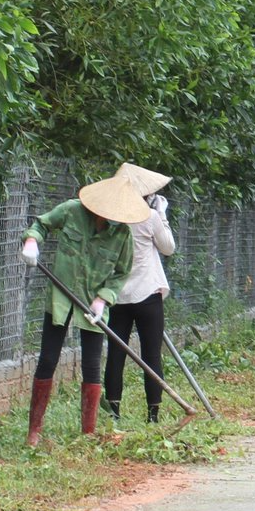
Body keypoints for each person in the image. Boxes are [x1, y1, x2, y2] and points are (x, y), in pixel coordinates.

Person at [20, 175, 147, 445]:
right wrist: (32, 241)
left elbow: (121, 273)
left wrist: (103, 299)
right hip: (61, 298)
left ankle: (87, 435)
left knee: (91, 367)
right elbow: (41, 224)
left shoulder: (122, 234)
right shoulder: (71, 210)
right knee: (47, 360)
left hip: (92, 306)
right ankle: (34, 432)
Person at [103, 163, 177, 424]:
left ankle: (113, 413)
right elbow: (168, 247)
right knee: (151, 354)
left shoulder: (111, 220)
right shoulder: (150, 217)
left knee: (116, 353)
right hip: (148, 294)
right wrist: (162, 213)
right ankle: (153, 415)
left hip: (118, 295)